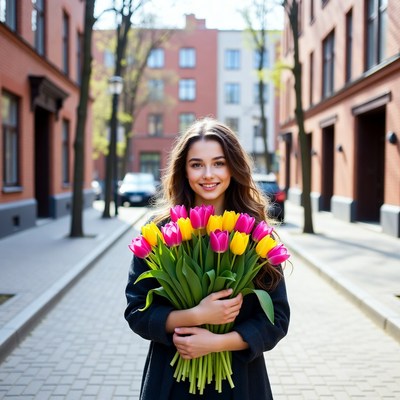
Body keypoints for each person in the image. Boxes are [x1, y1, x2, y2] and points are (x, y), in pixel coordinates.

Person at [124, 118, 290, 399]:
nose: (208, 174)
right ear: (184, 170)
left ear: (233, 168)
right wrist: (195, 315)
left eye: (219, 163)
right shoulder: (161, 231)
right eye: (197, 164)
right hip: (171, 383)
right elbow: (137, 311)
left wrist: (218, 343)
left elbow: (277, 319)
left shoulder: (254, 232)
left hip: (239, 382)